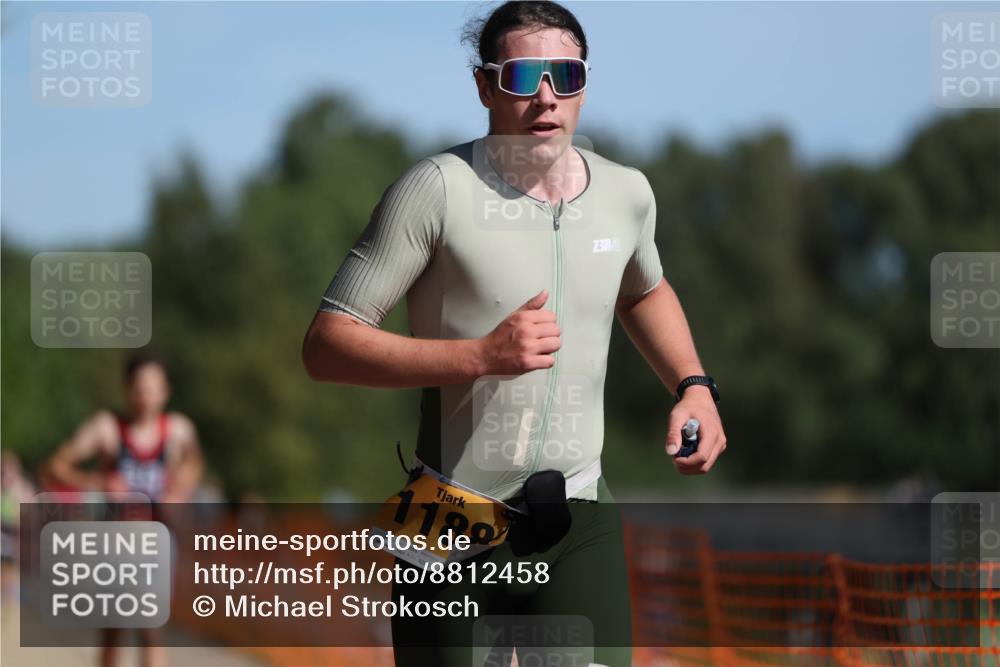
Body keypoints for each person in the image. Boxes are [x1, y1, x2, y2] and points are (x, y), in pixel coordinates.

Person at [302, 2, 727, 665]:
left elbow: (644, 288)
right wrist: (480, 355)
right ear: (484, 87)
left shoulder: (627, 195)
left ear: (586, 83)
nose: (547, 96)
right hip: (447, 511)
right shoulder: (435, 189)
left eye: (567, 74)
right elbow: (327, 343)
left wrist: (694, 385)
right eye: (524, 77)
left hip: (577, 509)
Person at [45, 352, 203, 667]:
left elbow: (194, 463)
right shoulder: (106, 428)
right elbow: (55, 466)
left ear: (165, 391)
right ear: (127, 388)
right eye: (138, 387)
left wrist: (181, 488)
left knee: (151, 628)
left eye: (152, 388)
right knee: (114, 630)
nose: (144, 396)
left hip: (157, 539)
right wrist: (96, 480)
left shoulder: (177, 430)